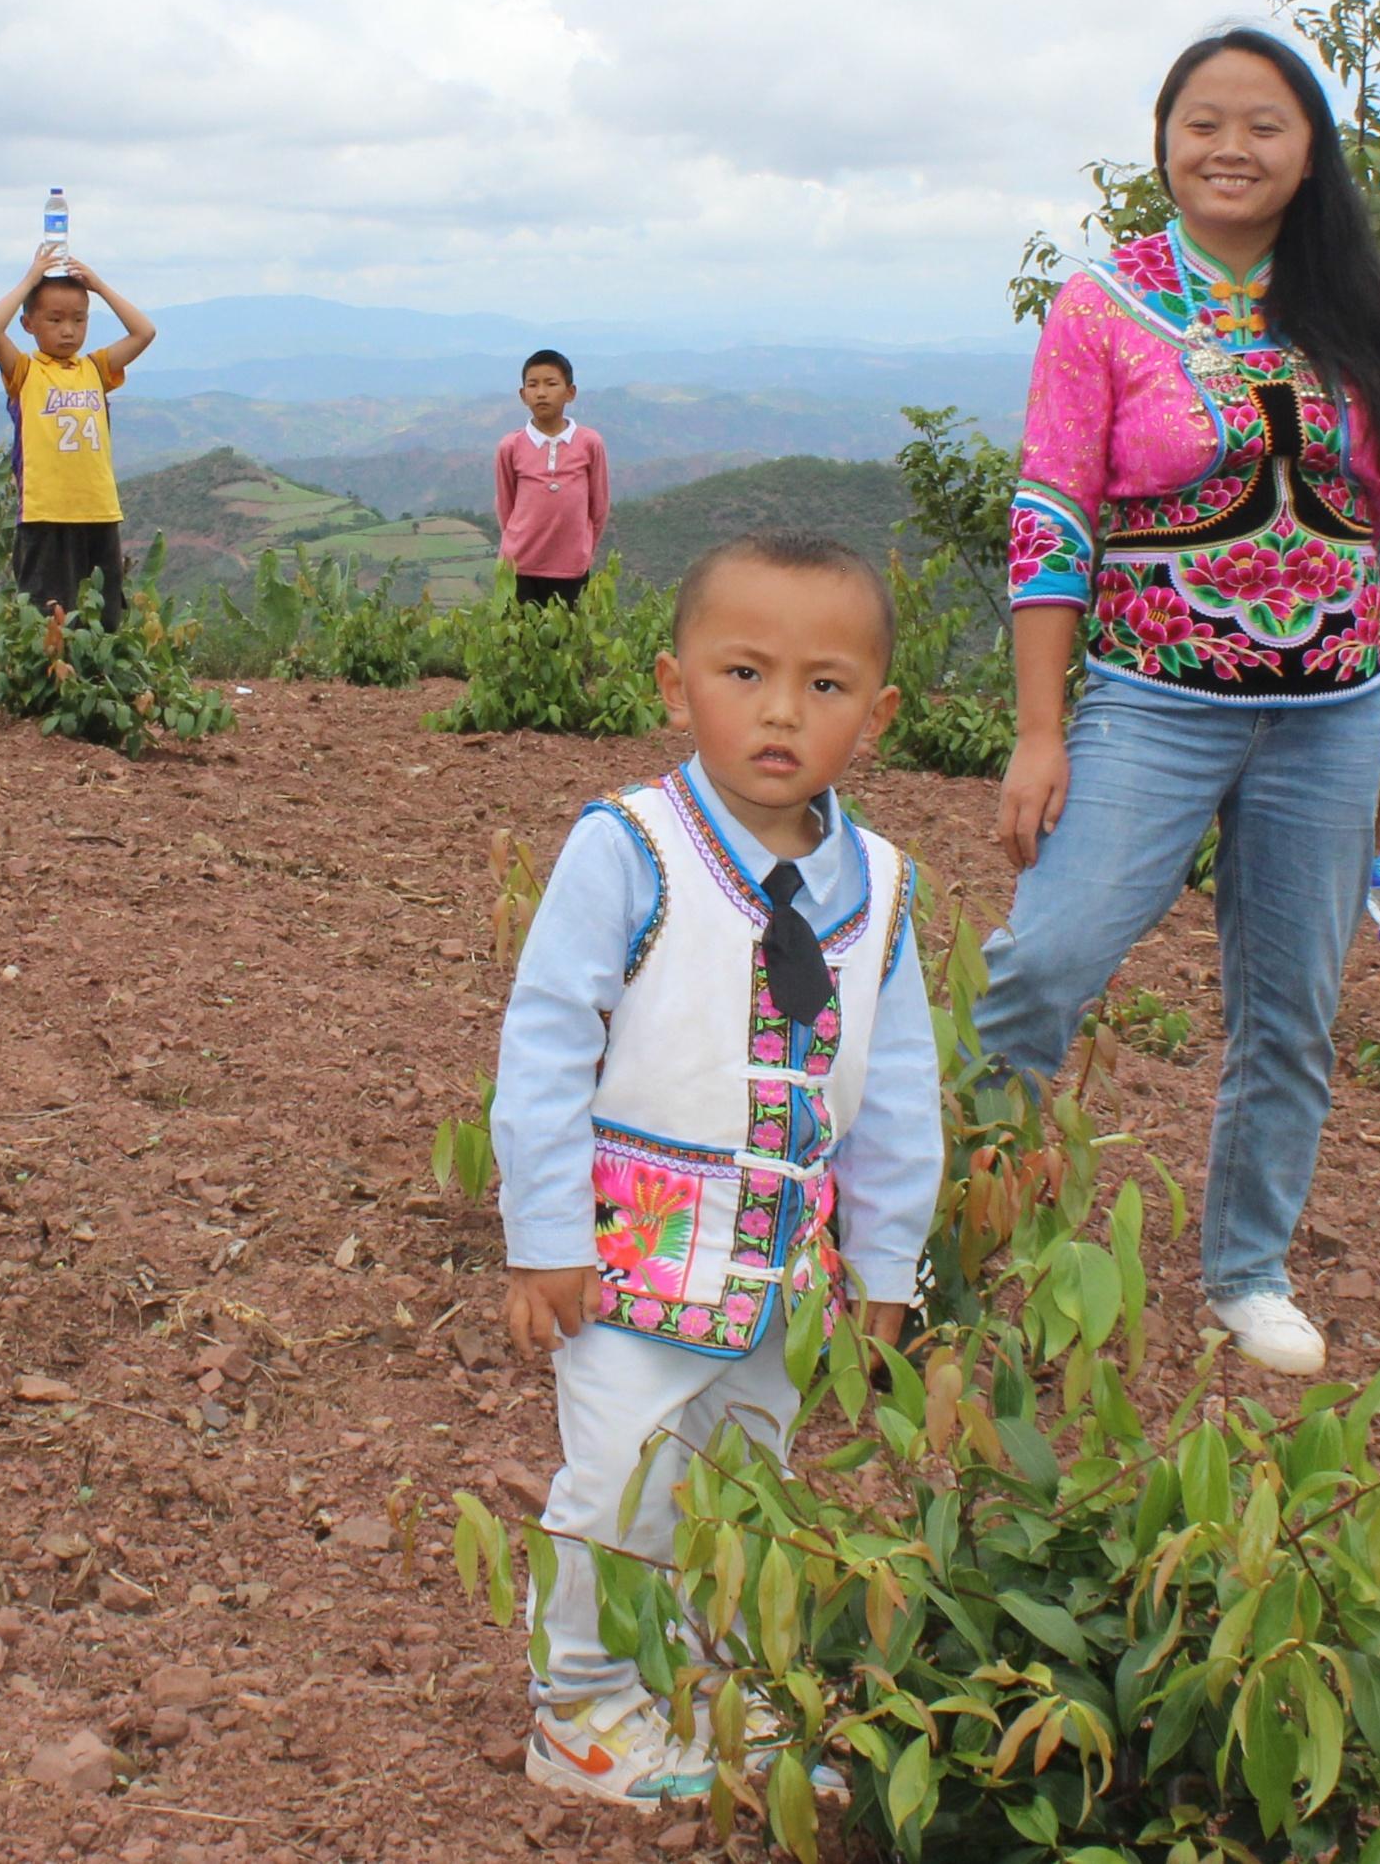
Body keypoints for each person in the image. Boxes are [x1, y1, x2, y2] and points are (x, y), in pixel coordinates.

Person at [978, 25, 1380, 1380]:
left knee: (1290, 1007)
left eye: (1264, 124)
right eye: (1203, 121)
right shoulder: (1104, 305)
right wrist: (1039, 724)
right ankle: (965, 1215)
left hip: (1335, 710)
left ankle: (1247, 1267)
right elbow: (1053, 513)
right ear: (1164, 143)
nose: (1230, 147)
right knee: (1045, 960)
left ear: (1310, 153)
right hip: (1150, 698)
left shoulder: (1363, 304)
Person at [490, 532, 940, 1809]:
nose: (781, 712)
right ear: (672, 681)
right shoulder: (629, 849)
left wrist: (885, 1262)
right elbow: (541, 1041)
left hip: (781, 1273)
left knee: (745, 1473)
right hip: (629, 1256)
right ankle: (577, 1706)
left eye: (825, 684)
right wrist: (541, 1234)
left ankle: (708, 1677)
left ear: (880, 713)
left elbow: (898, 1092)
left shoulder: (884, 892)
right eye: (742, 673)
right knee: (619, 1473)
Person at [0, 247, 155, 627]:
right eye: (55, 319)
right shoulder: (25, 373)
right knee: (49, 616)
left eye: (79, 319)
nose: (68, 330)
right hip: (46, 514)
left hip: (98, 510)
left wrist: (98, 285)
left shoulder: (95, 368)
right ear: (29, 324)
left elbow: (144, 332)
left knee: (104, 618)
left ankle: (95, 683)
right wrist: (30, 279)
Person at [494, 349, 611, 607]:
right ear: (523, 395)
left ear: (570, 392)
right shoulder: (511, 446)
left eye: (551, 383)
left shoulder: (589, 443)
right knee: (517, 643)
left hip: (571, 569)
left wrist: (583, 551)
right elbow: (506, 506)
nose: (541, 392)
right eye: (532, 385)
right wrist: (515, 546)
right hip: (519, 568)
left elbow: (599, 507)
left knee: (567, 642)